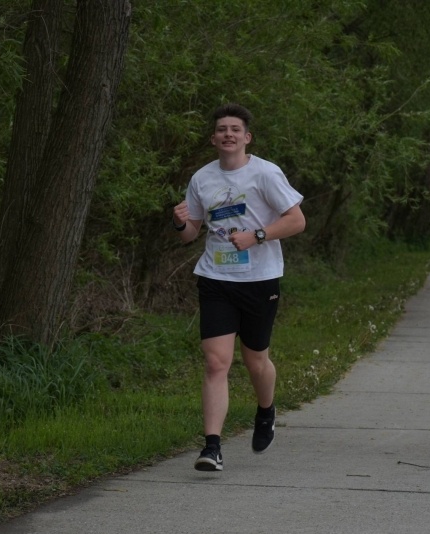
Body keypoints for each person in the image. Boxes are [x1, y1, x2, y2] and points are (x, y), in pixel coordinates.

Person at [171, 103, 305, 472]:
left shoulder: (266, 174)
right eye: (221, 129)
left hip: (260, 280)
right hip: (216, 278)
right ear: (213, 138)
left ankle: (266, 411)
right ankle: (212, 446)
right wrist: (179, 222)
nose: (227, 134)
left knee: (255, 360)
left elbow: (296, 220)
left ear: (246, 137)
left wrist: (258, 235)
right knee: (216, 362)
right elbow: (191, 235)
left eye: (235, 129)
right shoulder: (202, 178)